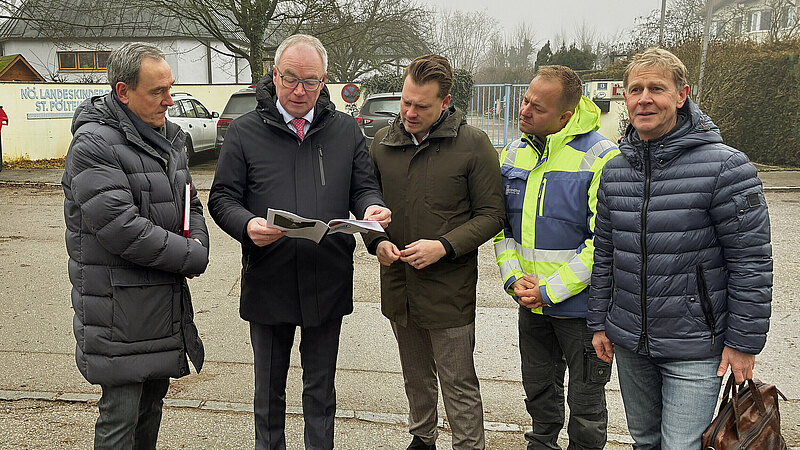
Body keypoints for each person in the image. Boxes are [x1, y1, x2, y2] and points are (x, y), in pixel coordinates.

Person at [207, 34, 390, 450]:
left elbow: (364, 188)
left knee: (321, 391)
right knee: (268, 391)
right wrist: (247, 225)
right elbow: (222, 198)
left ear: (324, 81)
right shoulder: (244, 132)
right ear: (274, 75)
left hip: (327, 278)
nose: (299, 90)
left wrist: (373, 207)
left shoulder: (345, 131)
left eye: (310, 81)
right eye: (290, 78)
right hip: (268, 277)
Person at [587, 48, 773, 449]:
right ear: (625, 97)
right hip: (630, 341)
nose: (644, 99)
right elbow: (605, 253)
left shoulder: (726, 167)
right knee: (644, 441)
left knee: (681, 446)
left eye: (657, 88)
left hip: (695, 345)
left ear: (682, 95)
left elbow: (751, 262)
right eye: (635, 89)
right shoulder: (615, 170)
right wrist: (600, 322)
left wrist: (743, 343)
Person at [62, 42, 209, 449]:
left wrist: (198, 240)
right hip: (119, 311)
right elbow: (121, 228)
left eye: (170, 88)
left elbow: (190, 202)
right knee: (121, 417)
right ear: (123, 92)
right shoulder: (93, 144)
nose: (169, 100)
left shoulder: (169, 138)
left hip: (161, 303)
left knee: (150, 411)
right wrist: (190, 256)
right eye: (158, 91)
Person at [365, 54, 505, 450]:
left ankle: (468, 445)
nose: (409, 112)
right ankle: (422, 438)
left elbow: (493, 215)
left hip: (449, 289)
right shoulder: (382, 143)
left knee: (458, 382)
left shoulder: (473, 145)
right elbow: (368, 203)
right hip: (399, 285)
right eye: (405, 102)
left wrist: (444, 246)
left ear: (445, 103)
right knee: (415, 376)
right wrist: (377, 242)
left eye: (421, 106)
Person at [493, 65, 619, 450]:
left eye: (538, 108)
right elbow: (501, 227)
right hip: (530, 304)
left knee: (586, 406)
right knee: (539, 394)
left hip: (581, 312)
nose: (524, 111)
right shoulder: (513, 153)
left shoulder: (602, 157)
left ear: (565, 116)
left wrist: (549, 290)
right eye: (525, 100)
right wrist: (514, 280)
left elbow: (603, 242)